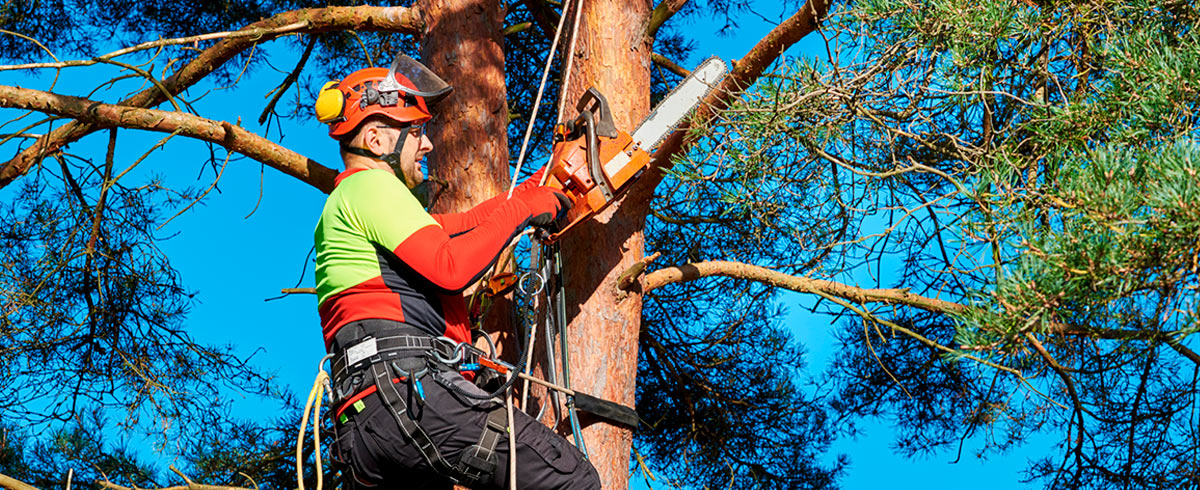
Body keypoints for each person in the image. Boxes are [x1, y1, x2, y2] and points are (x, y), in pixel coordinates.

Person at [312, 54, 601, 490]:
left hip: (369, 423)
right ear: (375, 139)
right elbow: (452, 267)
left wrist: (544, 183)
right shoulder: (369, 186)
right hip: (407, 393)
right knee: (571, 478)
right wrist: (524, 209)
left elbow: (469, 224)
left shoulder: (352, 206)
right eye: (415, 132)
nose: (427, 145)